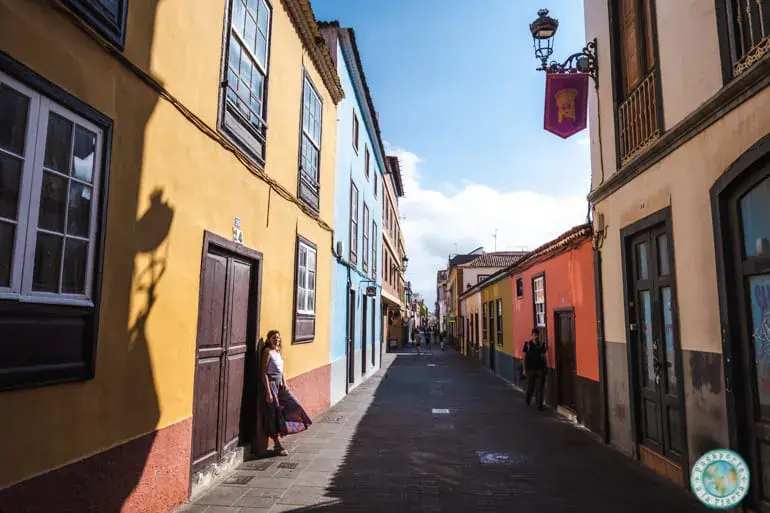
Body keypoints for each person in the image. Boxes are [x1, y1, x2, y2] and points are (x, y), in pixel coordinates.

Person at [261, 330, 312, 456]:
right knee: (274, 414)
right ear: (268, 339)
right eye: (273, 338)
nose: (276, 340)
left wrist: (285, 382)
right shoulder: (267, 352)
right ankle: (277, 444)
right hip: (272, 386)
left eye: (278, 338)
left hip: (280, 387)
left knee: (294, 405)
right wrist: (268, 392)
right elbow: (264, 373)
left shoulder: (278, 352)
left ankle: (288, 429)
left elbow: (281, 370)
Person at [522, 328, 548, 410]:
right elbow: (524, 357)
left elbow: (544, 356)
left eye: (537, 335)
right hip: (530, 369)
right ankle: (527, 399)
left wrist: (545, 366)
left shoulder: (541, 344)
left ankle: (539, 404)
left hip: (539, 368)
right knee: (530, 387)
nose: (536, 337)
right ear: (532, 335)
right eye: (534, 335)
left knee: (540, 387)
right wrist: (524, 369)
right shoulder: (527, 344)